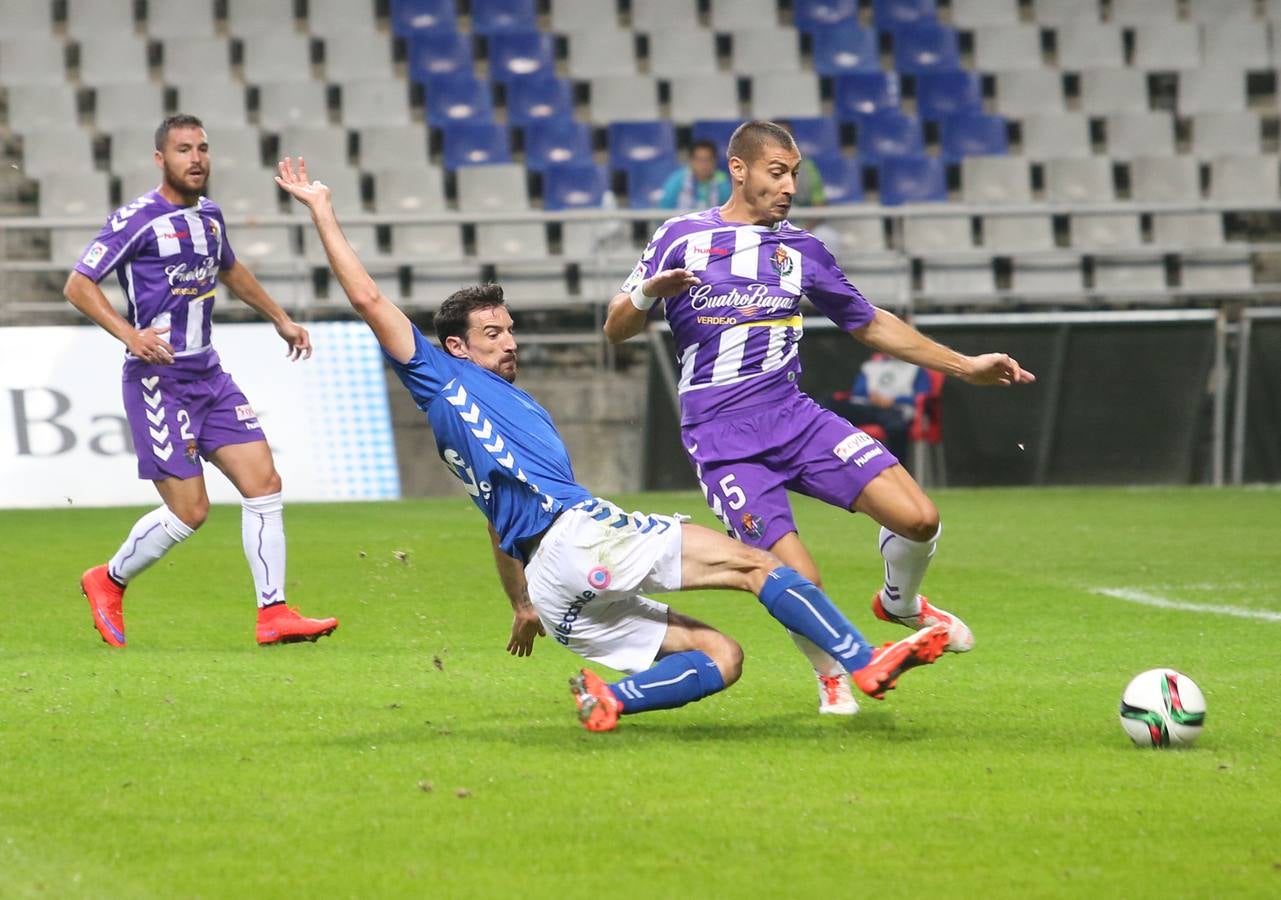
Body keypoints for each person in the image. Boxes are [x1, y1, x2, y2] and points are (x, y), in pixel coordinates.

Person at [274, 156, 950, 732]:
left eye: (508, 329)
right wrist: (323, 210)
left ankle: (608, 700)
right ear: (453, 347)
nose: (508, 341)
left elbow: (494, 524)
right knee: (760, 568)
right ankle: (864, 663)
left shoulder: (503, 409)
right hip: (578, 536)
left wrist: (520, 603)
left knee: (720, 657)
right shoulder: (435, 375)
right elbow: (365, 297)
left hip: (551, 589)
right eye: (491, 334)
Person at [603, 120, 1035, 716]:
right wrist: (650, 291)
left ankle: (900, 602)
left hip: (794, 417)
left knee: (920, 518)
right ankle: (830, 674)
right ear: (739, 169)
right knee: (800, 583)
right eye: (776, 172)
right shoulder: (680, 236)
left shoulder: (800, 250)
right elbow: (616, 327)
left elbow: (870, 323)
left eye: (794, 175)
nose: (788, 187)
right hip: (723, 439)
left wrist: (964, 366)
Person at [65, 114, 339, 647]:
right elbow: (79, 285)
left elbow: (230, 269)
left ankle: (273, 613)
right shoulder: (137, 219)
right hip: (158, 380)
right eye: (184, 149)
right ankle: (108, 578)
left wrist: (279, 317)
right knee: (191, 512)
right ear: (160, 159)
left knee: (264, 484)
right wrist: (129, 334)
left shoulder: (210, 216)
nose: (196, 158)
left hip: (208, 374)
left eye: (203, 148)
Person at [824, 352, 932, 463]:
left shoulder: (915, 369)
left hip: (895, 409)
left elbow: (922, 396)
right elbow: (858, 393)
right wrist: (873, 398)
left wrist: (892, 401)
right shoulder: (871, 366)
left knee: (896, 426)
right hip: (867, 407)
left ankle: (896, 471)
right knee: (829, 405)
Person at [659, 139, 731, 210]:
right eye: (699, 160)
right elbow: (664, 209)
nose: (704, 165)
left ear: (715, 160)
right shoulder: (677, 179)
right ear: (691, 160)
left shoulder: (722, 181)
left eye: (708, 159)